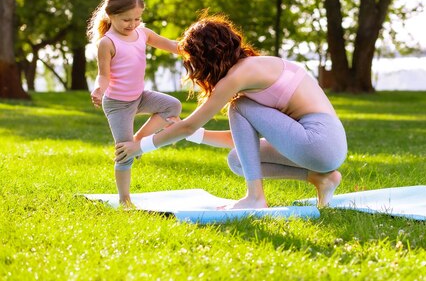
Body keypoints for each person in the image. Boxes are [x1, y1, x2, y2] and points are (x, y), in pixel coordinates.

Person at [114, 14, 348, 209]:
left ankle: (255, 198)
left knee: (238, 106)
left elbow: (190, 124)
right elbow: (238, 139)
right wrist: (190, 134)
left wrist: (140, 146)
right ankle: (322, 178)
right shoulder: (258, 66)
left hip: (316, 141)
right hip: (329, 145)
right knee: (239, 160)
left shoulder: (238, 77)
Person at [88, 0, 182, 207]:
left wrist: (196, 47)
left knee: (173, 106)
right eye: (126, 19)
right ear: (110, 15)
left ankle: (138, 141)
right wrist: (99, 88)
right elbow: (104, 75)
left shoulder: (143, 33)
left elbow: (172, 46)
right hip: (117, 104)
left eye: (137, 18)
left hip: (139, 96)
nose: (133, 24)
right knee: (124, 153)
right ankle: (124, 199)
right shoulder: (107, 43)